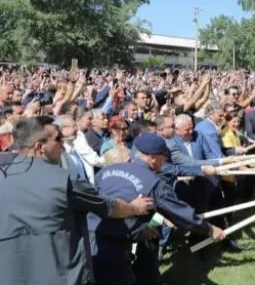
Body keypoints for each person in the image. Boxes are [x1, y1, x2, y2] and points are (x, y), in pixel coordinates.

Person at [0, 116, 153, 285]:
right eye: (58, 139)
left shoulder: (3, 174)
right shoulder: (62, 180)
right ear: (39, 147)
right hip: (59, 274)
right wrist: (134, 208)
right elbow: (110, 207)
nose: (63, 146)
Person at [88, 133, 226, 285]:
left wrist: (140, 227)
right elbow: (180, 212)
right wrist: (209, 229)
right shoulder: (154, 183)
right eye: (164, 155)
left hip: (89, 237)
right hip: (114, 245)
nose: (166, 159)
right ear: (152, 157)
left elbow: (109, 204)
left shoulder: (104, 172)